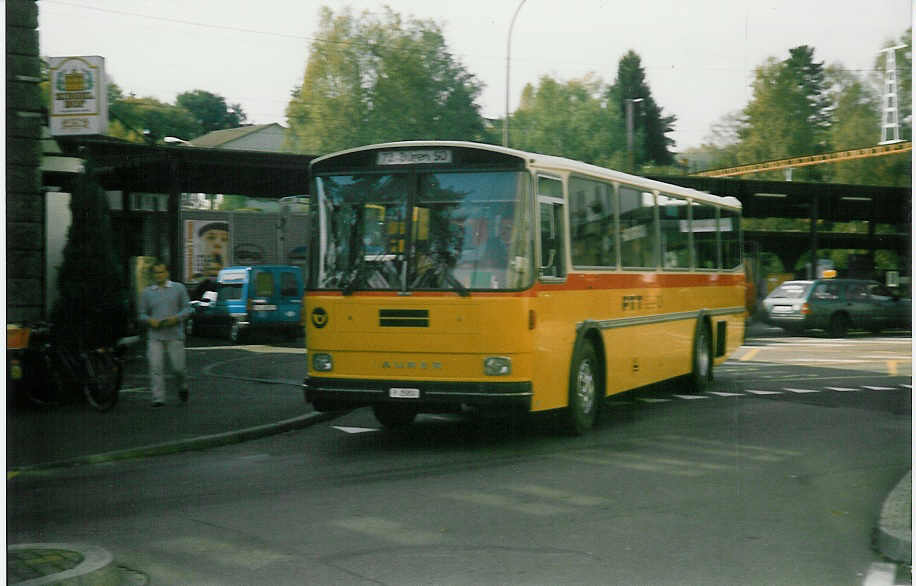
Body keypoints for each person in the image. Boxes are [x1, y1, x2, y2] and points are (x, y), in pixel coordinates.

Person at [139, 261, 192, 407]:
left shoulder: (178, 288)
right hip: (155, 336)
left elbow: (187, 309)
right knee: (155, 367)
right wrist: (150, 321)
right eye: (156, 273)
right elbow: (141, 314)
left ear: (167, 273)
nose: (159, 275)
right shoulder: (147, 292)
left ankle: (183, 386)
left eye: (161, 272)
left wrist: (176, 318)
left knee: (178, 368)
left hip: (174, 334)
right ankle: (158, 398)